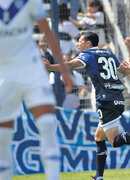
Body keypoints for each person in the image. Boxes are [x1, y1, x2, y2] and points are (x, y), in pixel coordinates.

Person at [44, 32, 130, 180]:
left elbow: (70, 64)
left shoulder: (88, 54)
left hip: (106, 101)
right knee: (99, 137)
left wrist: (50, 67)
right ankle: (99, 177)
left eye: (80, 41)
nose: (77, 44)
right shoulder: (108, 53)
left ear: (88, 44)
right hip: (117, 97)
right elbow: (125, 71)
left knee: (114, 141)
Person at [0, 0, 73, 180]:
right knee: (2, 137)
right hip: (4, 73)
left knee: (48, 123)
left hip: (31, 68)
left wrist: (64, 69)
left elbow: (48, 33)